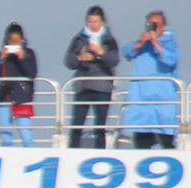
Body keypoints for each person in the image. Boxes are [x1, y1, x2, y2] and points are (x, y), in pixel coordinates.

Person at [64, 6, 119, 150]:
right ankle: (72, 153)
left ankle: (100, 154)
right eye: (90, 21)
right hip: (82, 86)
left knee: (100, 126)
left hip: (102, 87)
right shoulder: (79, 39)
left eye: (95, 21)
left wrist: (101, 53)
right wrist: (80, 58)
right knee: (76, 125)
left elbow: (114, 60)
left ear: (102, 22)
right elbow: (68, 62)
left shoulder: (109, 40)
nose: (92, 25)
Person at [123, 12, 180, 149]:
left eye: (157, 25)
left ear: (163, 27)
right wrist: (141, 42)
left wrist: (156, 43)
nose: (153, 28)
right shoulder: (142, 44)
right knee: (142, 141)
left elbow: (171, 59)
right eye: (150, 24)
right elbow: (127, 52)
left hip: (163, 99)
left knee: (166, 140)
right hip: (142, 98)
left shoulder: (170, 44)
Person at [0, 22, 38, 148]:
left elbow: (32, 74)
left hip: (22, 97)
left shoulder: (29, 54)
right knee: (5, 136)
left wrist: (22, 59)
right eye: (11, 41)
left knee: (26, 134)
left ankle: (32, 157)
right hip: (4, 97)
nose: (14, 45)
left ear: (22, 40)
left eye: (17, 42)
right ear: (7, 40)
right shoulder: (0, 55)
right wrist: (1, 59)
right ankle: (7, 160)